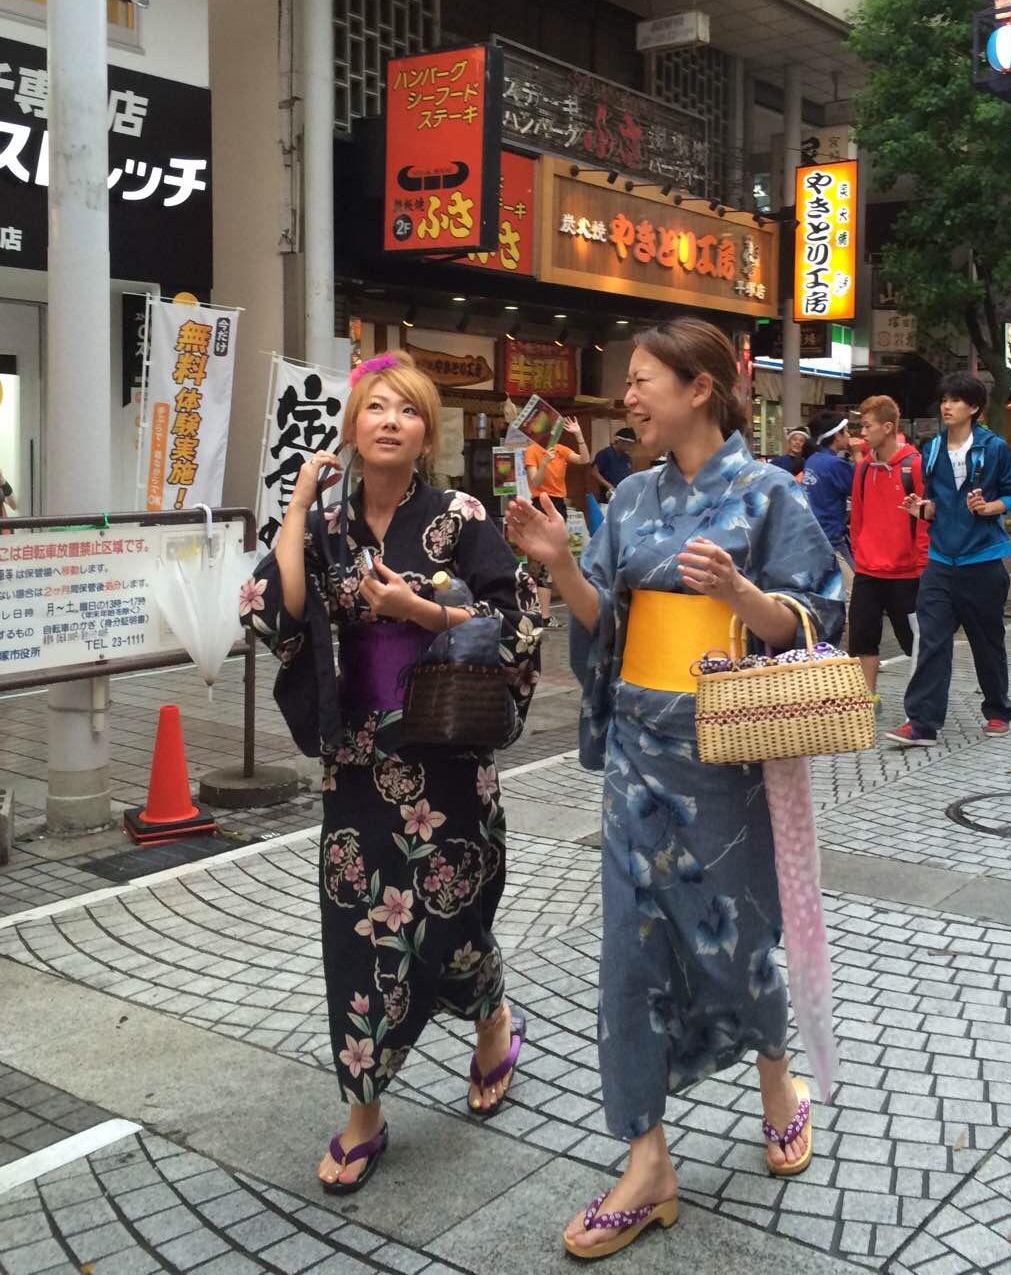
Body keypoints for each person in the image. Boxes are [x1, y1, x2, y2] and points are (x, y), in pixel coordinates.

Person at [506, 317, 843, 1260]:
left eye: (644, 378)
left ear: (700, 388)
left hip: (728, 759)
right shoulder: (634, 496)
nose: (629, 396)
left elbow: (820, 613)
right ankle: (647, 1162)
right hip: (638, 759)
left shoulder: (770, 492)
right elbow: (605, 624)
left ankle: (778, 1077)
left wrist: (744, 597)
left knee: (735, 937)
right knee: (631, 955)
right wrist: (563, 562)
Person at [240, 353, 541, 1194]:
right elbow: (277, 608)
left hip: (446, 757)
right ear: (352, 426)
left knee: (450, 924)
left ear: (425, 433)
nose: (388, 421)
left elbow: (517, 622)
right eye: (374, 407)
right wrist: (299, 504)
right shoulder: (327, 525)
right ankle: (364, 1110)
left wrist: (418, 611)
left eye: (406, 411)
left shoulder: (461, 514)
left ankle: (492, 1020)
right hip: (359, 764)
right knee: (356, 931)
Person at [886, 373, 1011, 746]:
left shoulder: (994, 448)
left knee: (986, 641)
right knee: (932, 641)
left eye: (956, 400)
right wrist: (922, 510)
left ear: (974, 407)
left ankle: (997, 709)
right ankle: (923, 723)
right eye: (945, 399)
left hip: (984, 560)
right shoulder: (931, 449)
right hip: (941, 561)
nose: (947, 405)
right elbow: (937, 505)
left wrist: (989, 507)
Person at [848, 395, 928, 696]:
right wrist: (861, 552)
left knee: (915, 641)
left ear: (888, 426)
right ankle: (867, 699)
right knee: (862, 638)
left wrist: (921, 564)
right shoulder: (864, 468)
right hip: (868, 570)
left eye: (867, 426)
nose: (863, 433)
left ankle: (921, 701)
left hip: (906, 573)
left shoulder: (914, 466)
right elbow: (857, 514)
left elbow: (925, 519)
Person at [524, 414, 590, 622]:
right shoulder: (532, 451)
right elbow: (535, 482)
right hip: (541, 503)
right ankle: (542, 613)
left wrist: (579, 435)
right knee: (543, 560)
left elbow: (585, 460)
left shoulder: (561, 450)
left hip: (558, 504)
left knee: (552, 558)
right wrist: (544, 462)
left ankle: (543, 614)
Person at [800, 410, 856, 564]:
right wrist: (858, 454)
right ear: (837, 435)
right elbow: (862, 488)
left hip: (812, 535)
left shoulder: (813, 460)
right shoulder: (835, 464)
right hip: (831, 538)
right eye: (846, 432)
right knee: (852, 585)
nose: (849, 435)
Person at [594, 426, 636, 501]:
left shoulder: (626, 457)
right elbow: (594, 472)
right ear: (620, 441)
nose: (630, 447)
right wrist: (609, 486)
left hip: (624, 494)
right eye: (628, 444)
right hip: (609, 495)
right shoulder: (605, 453)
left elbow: (629, 473)